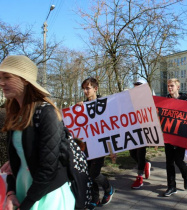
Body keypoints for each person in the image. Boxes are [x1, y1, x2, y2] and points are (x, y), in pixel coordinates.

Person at [0, 55, 75, 210]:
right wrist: (10, 193)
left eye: (7, 77)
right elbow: (15, 163)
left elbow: (49, 168)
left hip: (48, 197)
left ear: (25, 80)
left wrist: (27, 204)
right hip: (23, 192)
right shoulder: (15, 114)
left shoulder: (47, 113)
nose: (1, 83)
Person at [77, 77, 114, 209]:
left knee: (94, 173)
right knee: (88, 172)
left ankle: (108, 188)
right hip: (86, 146)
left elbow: (109, 127)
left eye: (88, 88)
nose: (86, 91)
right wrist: (78, 111)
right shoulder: (82, 106)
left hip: (100, 145)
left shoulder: (104, 104)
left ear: (95, 89)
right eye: (84, 89)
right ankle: (94, 198)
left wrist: (111, 150)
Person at [163, 78, 187, 197]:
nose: (169, 88)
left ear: (178, 87)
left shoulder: (185, 99)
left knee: (178, 160)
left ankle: (186, 174)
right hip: (168, 135)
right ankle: (171, 186)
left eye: (172, 86)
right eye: (168, 86)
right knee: (169, 162)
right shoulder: (164, 100)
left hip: (181, 136)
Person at [130, 79, 151, 189]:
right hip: (132, 131)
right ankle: (145, 164)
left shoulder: (149, 99)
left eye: (139, 86)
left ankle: (139, 177)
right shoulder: (130, 99)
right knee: (132, 154)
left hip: (143, 131)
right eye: (135, 86)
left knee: (140, 154)